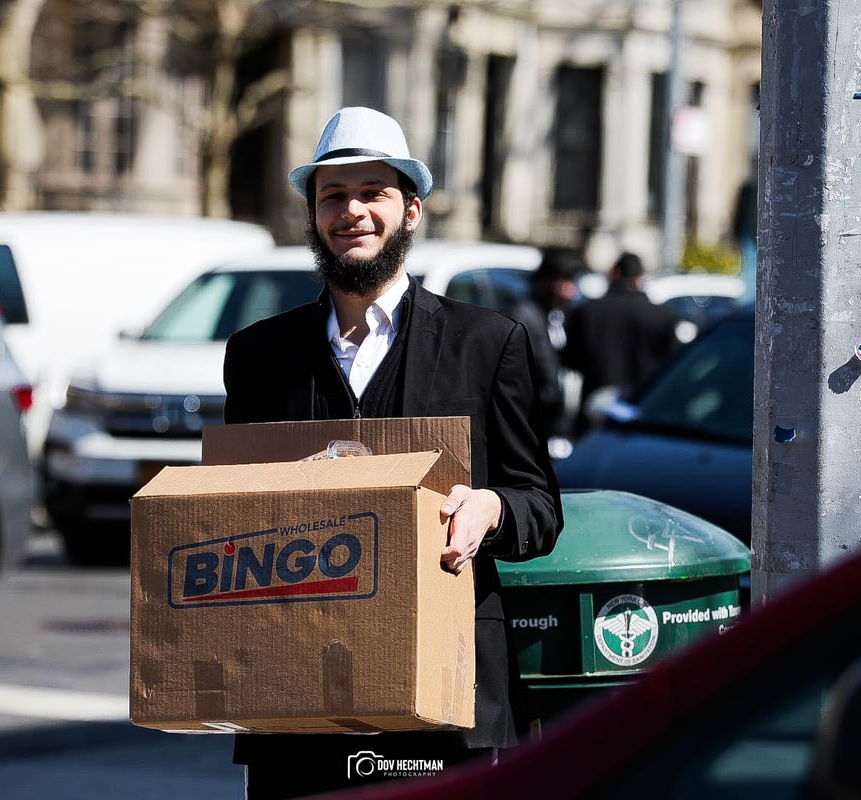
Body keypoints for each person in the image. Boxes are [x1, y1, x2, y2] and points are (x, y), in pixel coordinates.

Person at [222, 106, 563, 799]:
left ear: (410, 210)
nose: (352, 211)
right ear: (313, 213)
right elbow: (231, 519)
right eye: (333, 195)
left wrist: (491, 508)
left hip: (441, 694)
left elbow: (541, 506)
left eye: (372, 192)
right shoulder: (258, 356)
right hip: (297, 694)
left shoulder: (488, 344)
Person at [562, 251, 680, 435]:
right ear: (640, 278)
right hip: (641, 412)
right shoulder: (662, 315)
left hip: (593, 412)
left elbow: (570, 360)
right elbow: (671, 367)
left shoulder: (586, 311)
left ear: (614, 273)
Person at [508, 246, 586, 441]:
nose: (570, 291)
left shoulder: (559, 315)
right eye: (564, 282)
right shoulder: (526, 316)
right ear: (545, 281)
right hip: (535, 420)